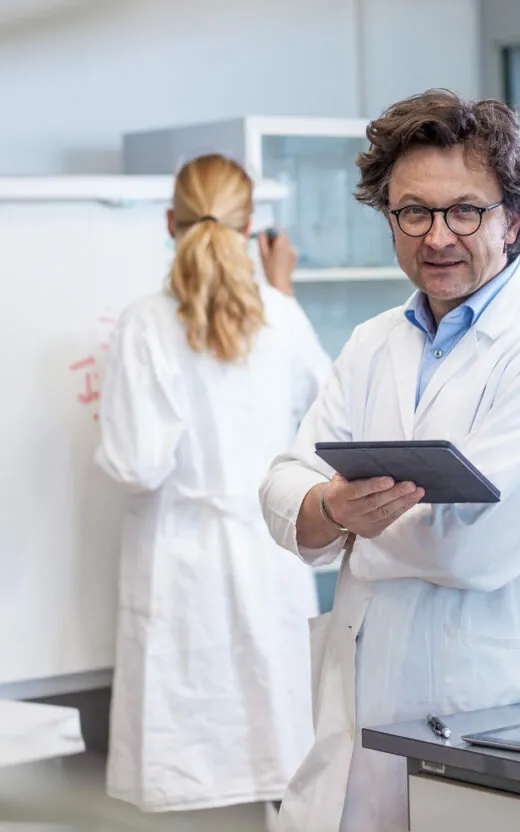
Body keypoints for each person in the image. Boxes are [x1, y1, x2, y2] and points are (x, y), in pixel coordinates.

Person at [259, 90, 520, 832]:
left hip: (495, 701)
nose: (437, 236)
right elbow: (283, 487)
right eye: (412, 211)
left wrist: (349, 521)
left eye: (465, 211)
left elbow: (476, 547)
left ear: (512, 221)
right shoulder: (371, 342)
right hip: (363, 700)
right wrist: (326, 509)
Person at [96, 153, 331, 813]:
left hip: (180, 563)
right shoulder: (280, 315)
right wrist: (281, 291)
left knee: (186, 770)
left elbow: (136, 463)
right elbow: (334, 419)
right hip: (269, 551)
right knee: (280, 758)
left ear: (169, 222)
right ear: (251, 226)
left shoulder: (146, 322)